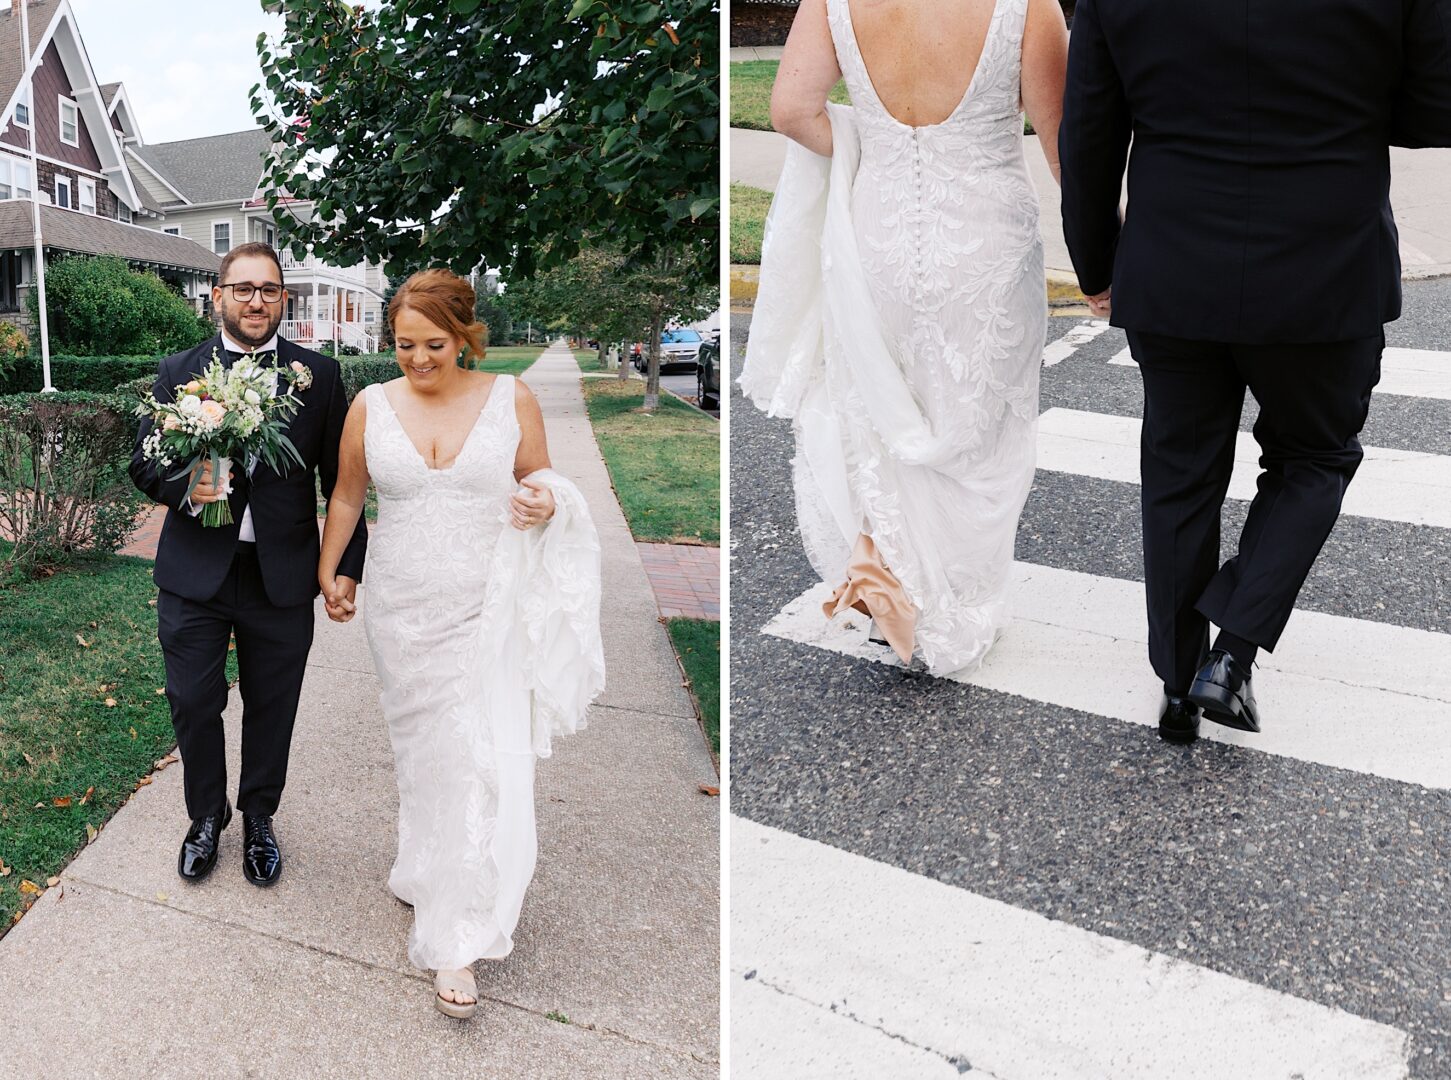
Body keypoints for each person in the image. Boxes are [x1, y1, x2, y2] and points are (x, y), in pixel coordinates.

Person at [1059, 0, 1451, 743]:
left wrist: (1093, 261)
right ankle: (1229, 656)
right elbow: (1437, 110)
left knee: (1179, 468)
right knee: (1315, 455)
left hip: (1173, 261)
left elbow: (1090, 131)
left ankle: (1177, 683)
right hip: (1324, 261)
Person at [739, 0, 1069, 675]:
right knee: (982, 433)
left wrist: (875, 147)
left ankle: (892, 581)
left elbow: (791, 111)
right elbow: (1063, 136)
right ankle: (946, 612)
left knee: (890, 411)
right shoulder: (1024, 3)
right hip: (987, 243)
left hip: (878, 234)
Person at [317, 269, 603, 1019]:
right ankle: (424, 868)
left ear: (466, 336)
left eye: (433, 344)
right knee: (426, 755)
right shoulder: (368, 405)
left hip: (487, 607)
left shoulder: (511, 398)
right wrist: (331, 570)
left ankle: (457, 939)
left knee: (474, 759)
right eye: (403, 344)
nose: (416, 359)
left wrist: (544, 499)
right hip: (403, 610)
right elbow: (348, 494)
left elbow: (538, 479)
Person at [129, 242, 366, 886]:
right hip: (195, 575)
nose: (256, 300)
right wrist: (186, 487)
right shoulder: (179, 371)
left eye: (268, 290)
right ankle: (206, 817)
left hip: (281, 576)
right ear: (219, 297)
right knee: (193, 701)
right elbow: (144, 462)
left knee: (273, 704)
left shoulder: (319, 377)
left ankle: (260, 817)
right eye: (243, 289)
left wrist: (347, 565)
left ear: (283, 299)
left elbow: (342, 483)